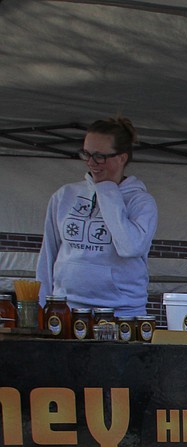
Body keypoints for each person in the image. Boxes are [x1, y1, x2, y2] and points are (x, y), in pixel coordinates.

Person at [36, 116, 158, 318]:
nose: (91, 163)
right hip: (66, 308)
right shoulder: (64, 195)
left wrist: (108, 191)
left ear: (122, 158)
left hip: (121, 312)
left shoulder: (141, 202)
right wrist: (40, 307)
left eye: (100, 156)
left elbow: (131, 247)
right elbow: (48, 255)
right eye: (86, 154)